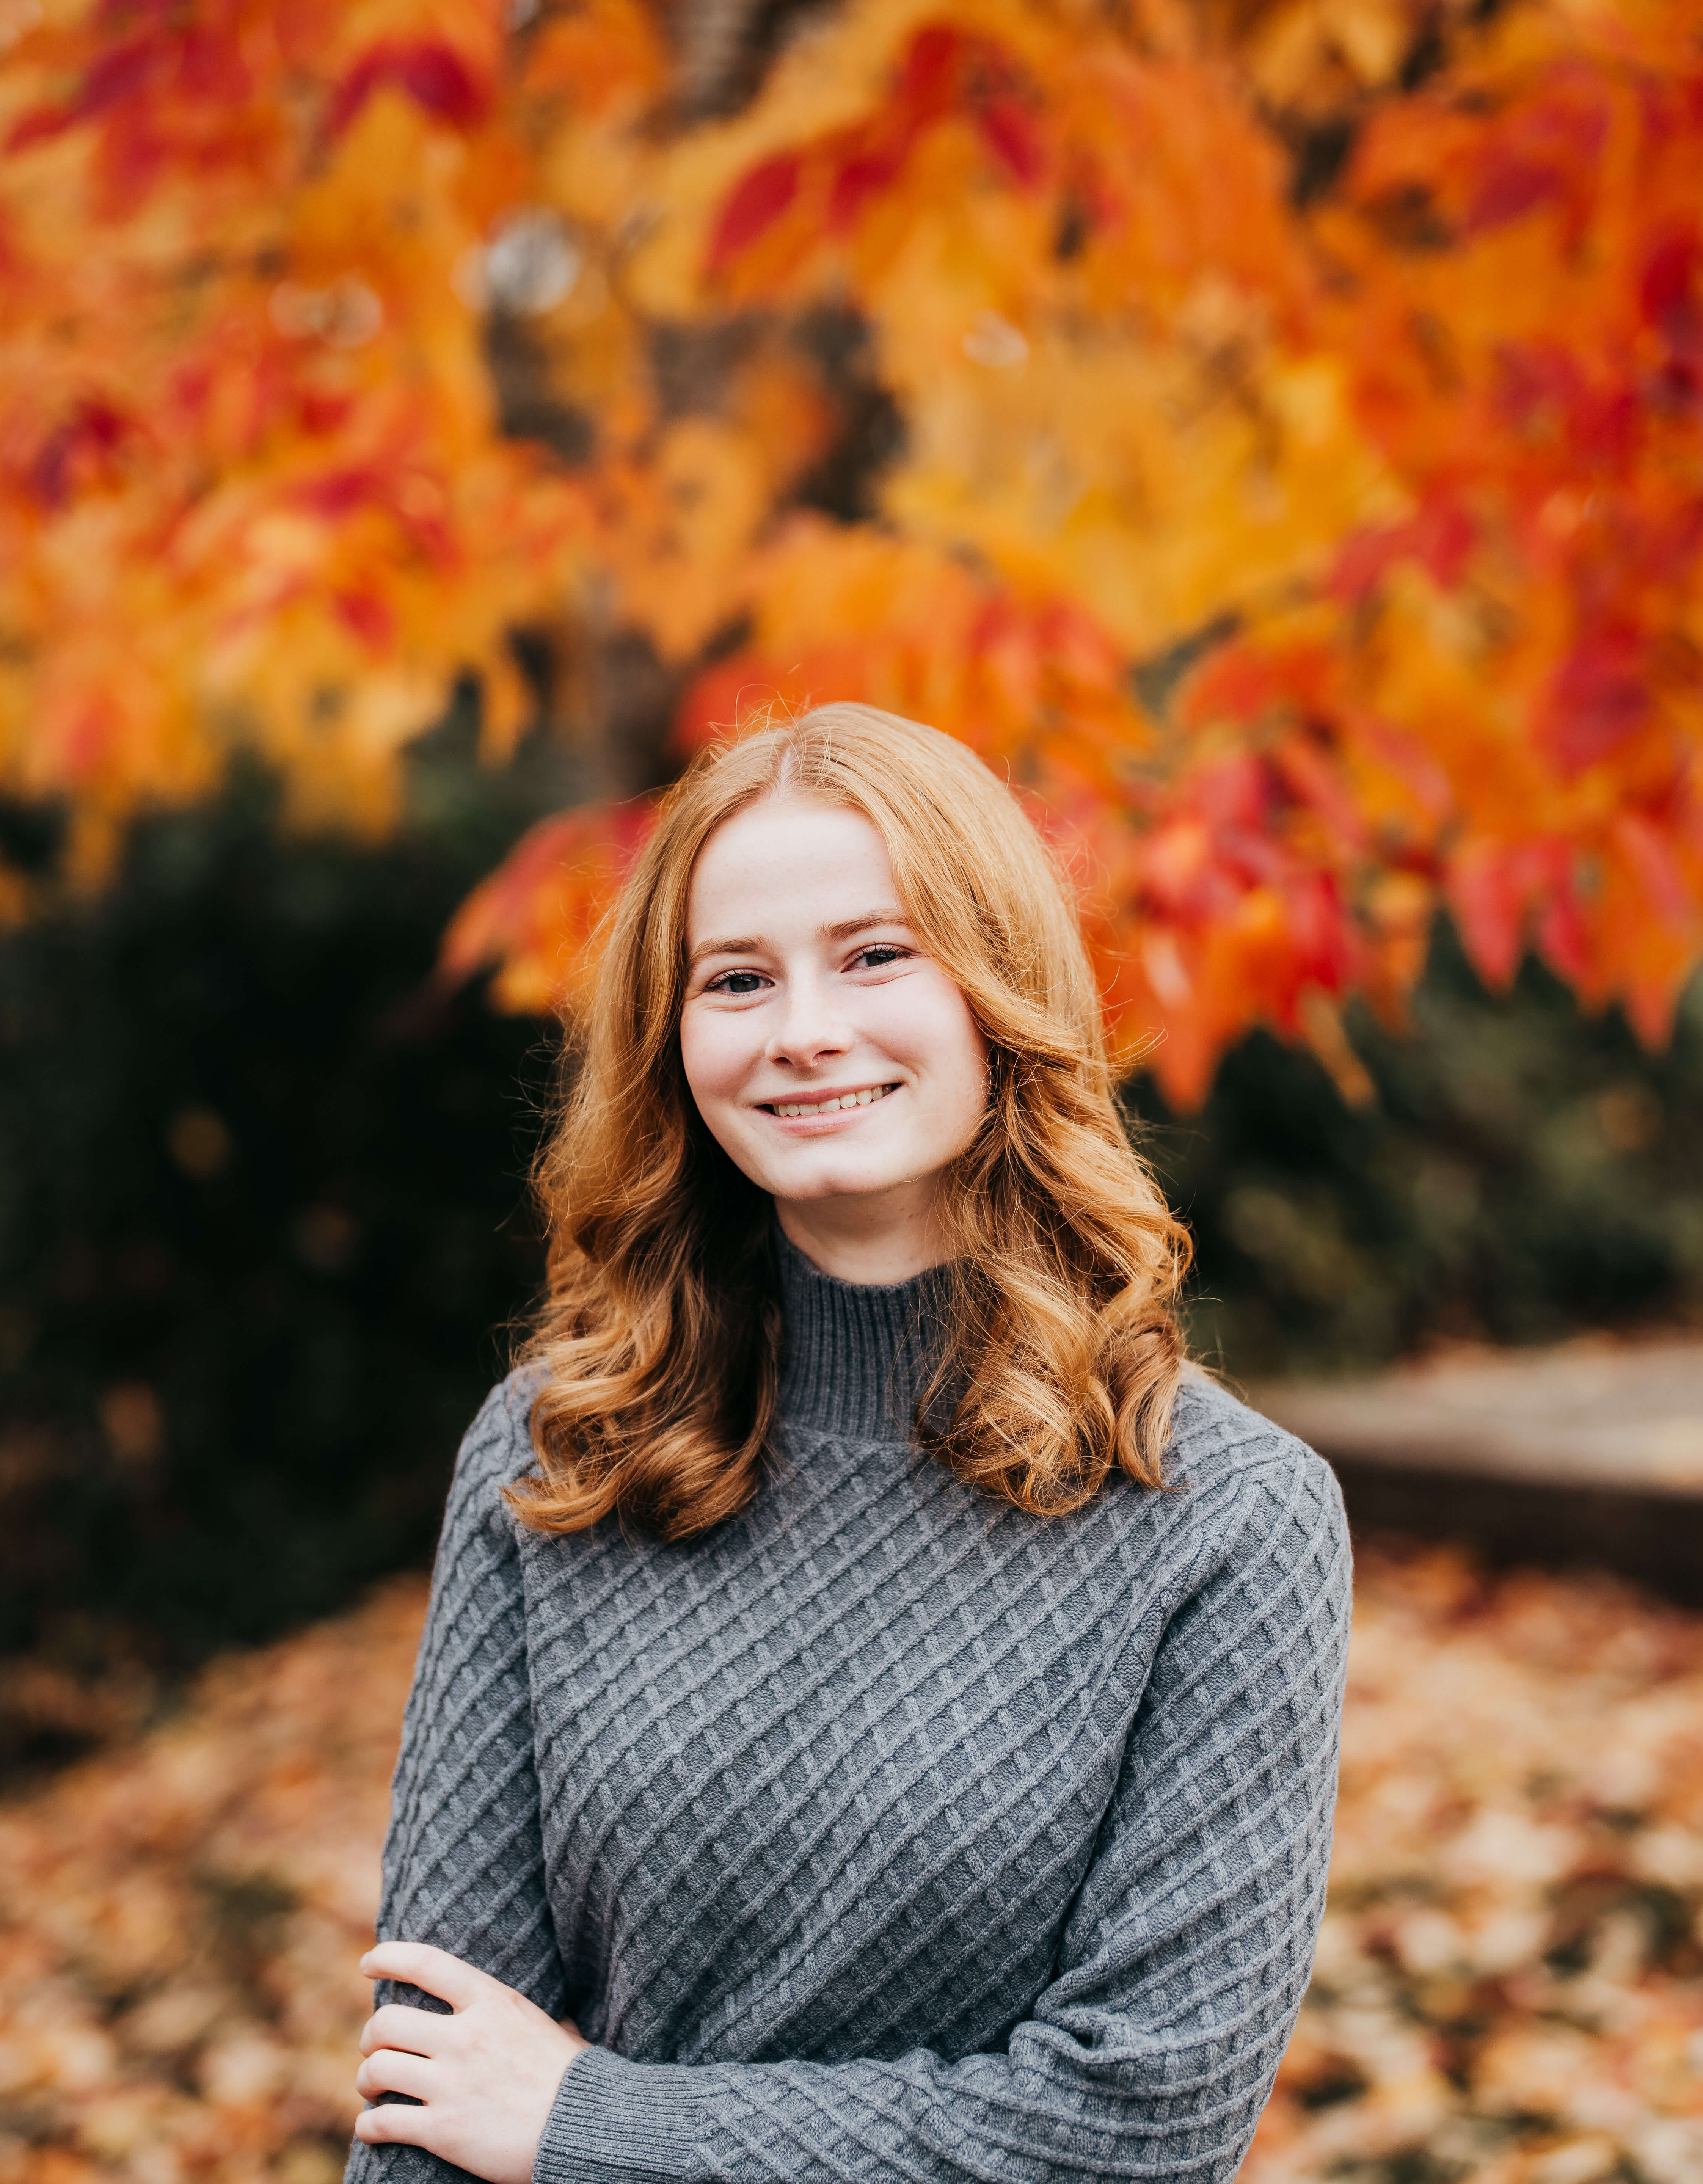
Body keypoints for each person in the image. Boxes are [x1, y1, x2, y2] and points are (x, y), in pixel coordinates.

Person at [343, 702, 1354, 2184]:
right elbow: (438, 2087)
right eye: (738, 979)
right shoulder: (560, 1452)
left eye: (877, 955)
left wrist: (591, 2125)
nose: (805, 1031)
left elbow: (1134, 2130)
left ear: (997, 987)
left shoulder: (1225, 1518)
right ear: (675, 1038)